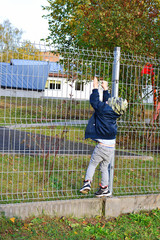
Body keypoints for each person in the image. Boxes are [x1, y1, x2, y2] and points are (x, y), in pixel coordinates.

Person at [80, 76, 128, 197]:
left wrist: (95, 88)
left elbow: (95, 102)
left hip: (101, 146)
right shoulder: (115, 113)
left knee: (93, 163)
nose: (109, 101)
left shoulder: (103, 109)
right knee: (104, 167)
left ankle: (87, 182)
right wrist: (105, 89)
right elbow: (108, 102)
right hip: (111, 147)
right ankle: (104, 188)